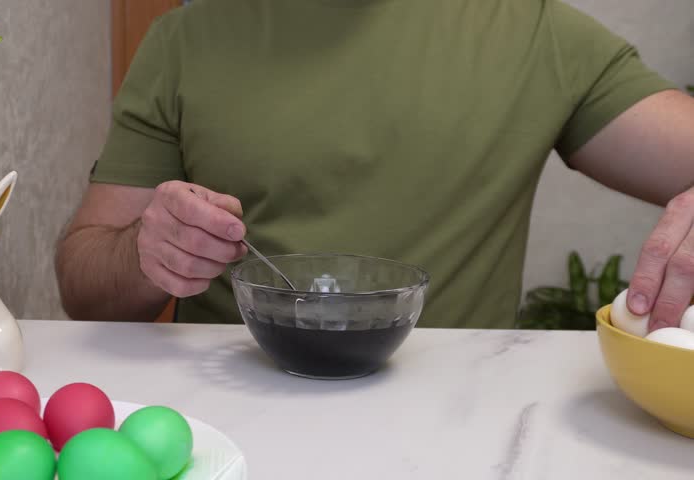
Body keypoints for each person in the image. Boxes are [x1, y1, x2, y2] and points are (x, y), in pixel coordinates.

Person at [55, 0, 694, 331]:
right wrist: (148, 252)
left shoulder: (539, 33)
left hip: (457, 433)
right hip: (231, 430)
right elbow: (84, 285)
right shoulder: (183, 41)